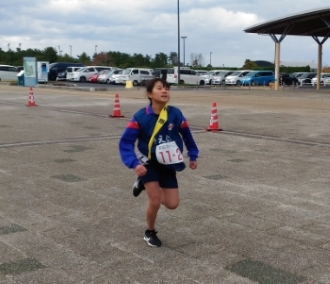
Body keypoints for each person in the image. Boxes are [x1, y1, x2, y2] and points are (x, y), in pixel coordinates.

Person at [119, 78, 199, 247]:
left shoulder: (176, 114)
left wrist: (193, 154)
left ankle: (142, 183)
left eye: (167, 88)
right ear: (150, 94)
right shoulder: (140, 117)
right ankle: (150, 232)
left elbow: (186, 135)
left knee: (172, 204)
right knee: (154, 200)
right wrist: (134, 163)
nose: (165, 91)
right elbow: (126, 142)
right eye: (160, 88)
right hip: (148, 163)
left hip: (168, 163)